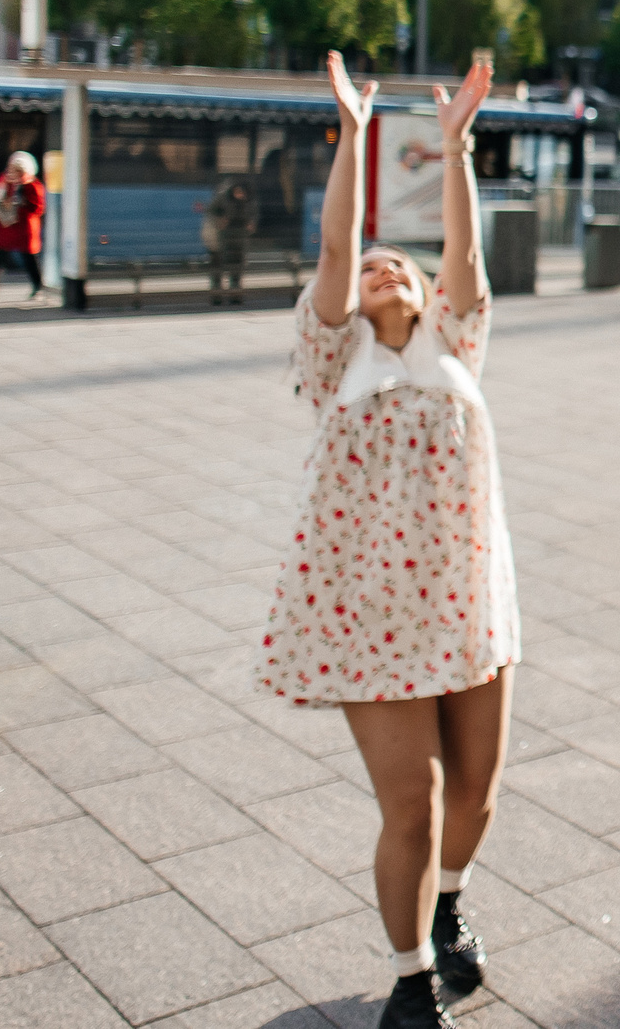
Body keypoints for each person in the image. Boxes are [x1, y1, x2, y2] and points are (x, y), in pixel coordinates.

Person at [256, 53, 513, 1029]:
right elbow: (334, 247)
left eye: (397, 262)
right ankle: (410, 980)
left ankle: (449, 903)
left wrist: (455, 148)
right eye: (371, 268)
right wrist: (356, 134)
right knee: (415, 801)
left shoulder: (456, 345)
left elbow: (466, 255)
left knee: (477, 792)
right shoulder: (336, 358)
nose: (381, 268)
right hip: (369, 615)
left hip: (469, 598)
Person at [0, 151, 45, 302]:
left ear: (25, 171)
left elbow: (38, 208)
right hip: (3, 225)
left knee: (29, 259)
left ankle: (38, 287)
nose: (11, 172)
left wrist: (22, 203)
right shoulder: (2, 180)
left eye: (16, 169)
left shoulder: (32, 185)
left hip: (23, 227)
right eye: (10, 168)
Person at [204, 172, 259, 305]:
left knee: (237, 266)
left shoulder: (250, 201)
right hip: (225, 236)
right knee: (219, 265)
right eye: (237, 192)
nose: (240, 195)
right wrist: (220, 220)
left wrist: (251, 223)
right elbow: (211, 210)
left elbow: (254, 214)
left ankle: (235, 294)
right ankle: (216, 295)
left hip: (240, 236)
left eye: (242, 193)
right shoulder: (223, 197)